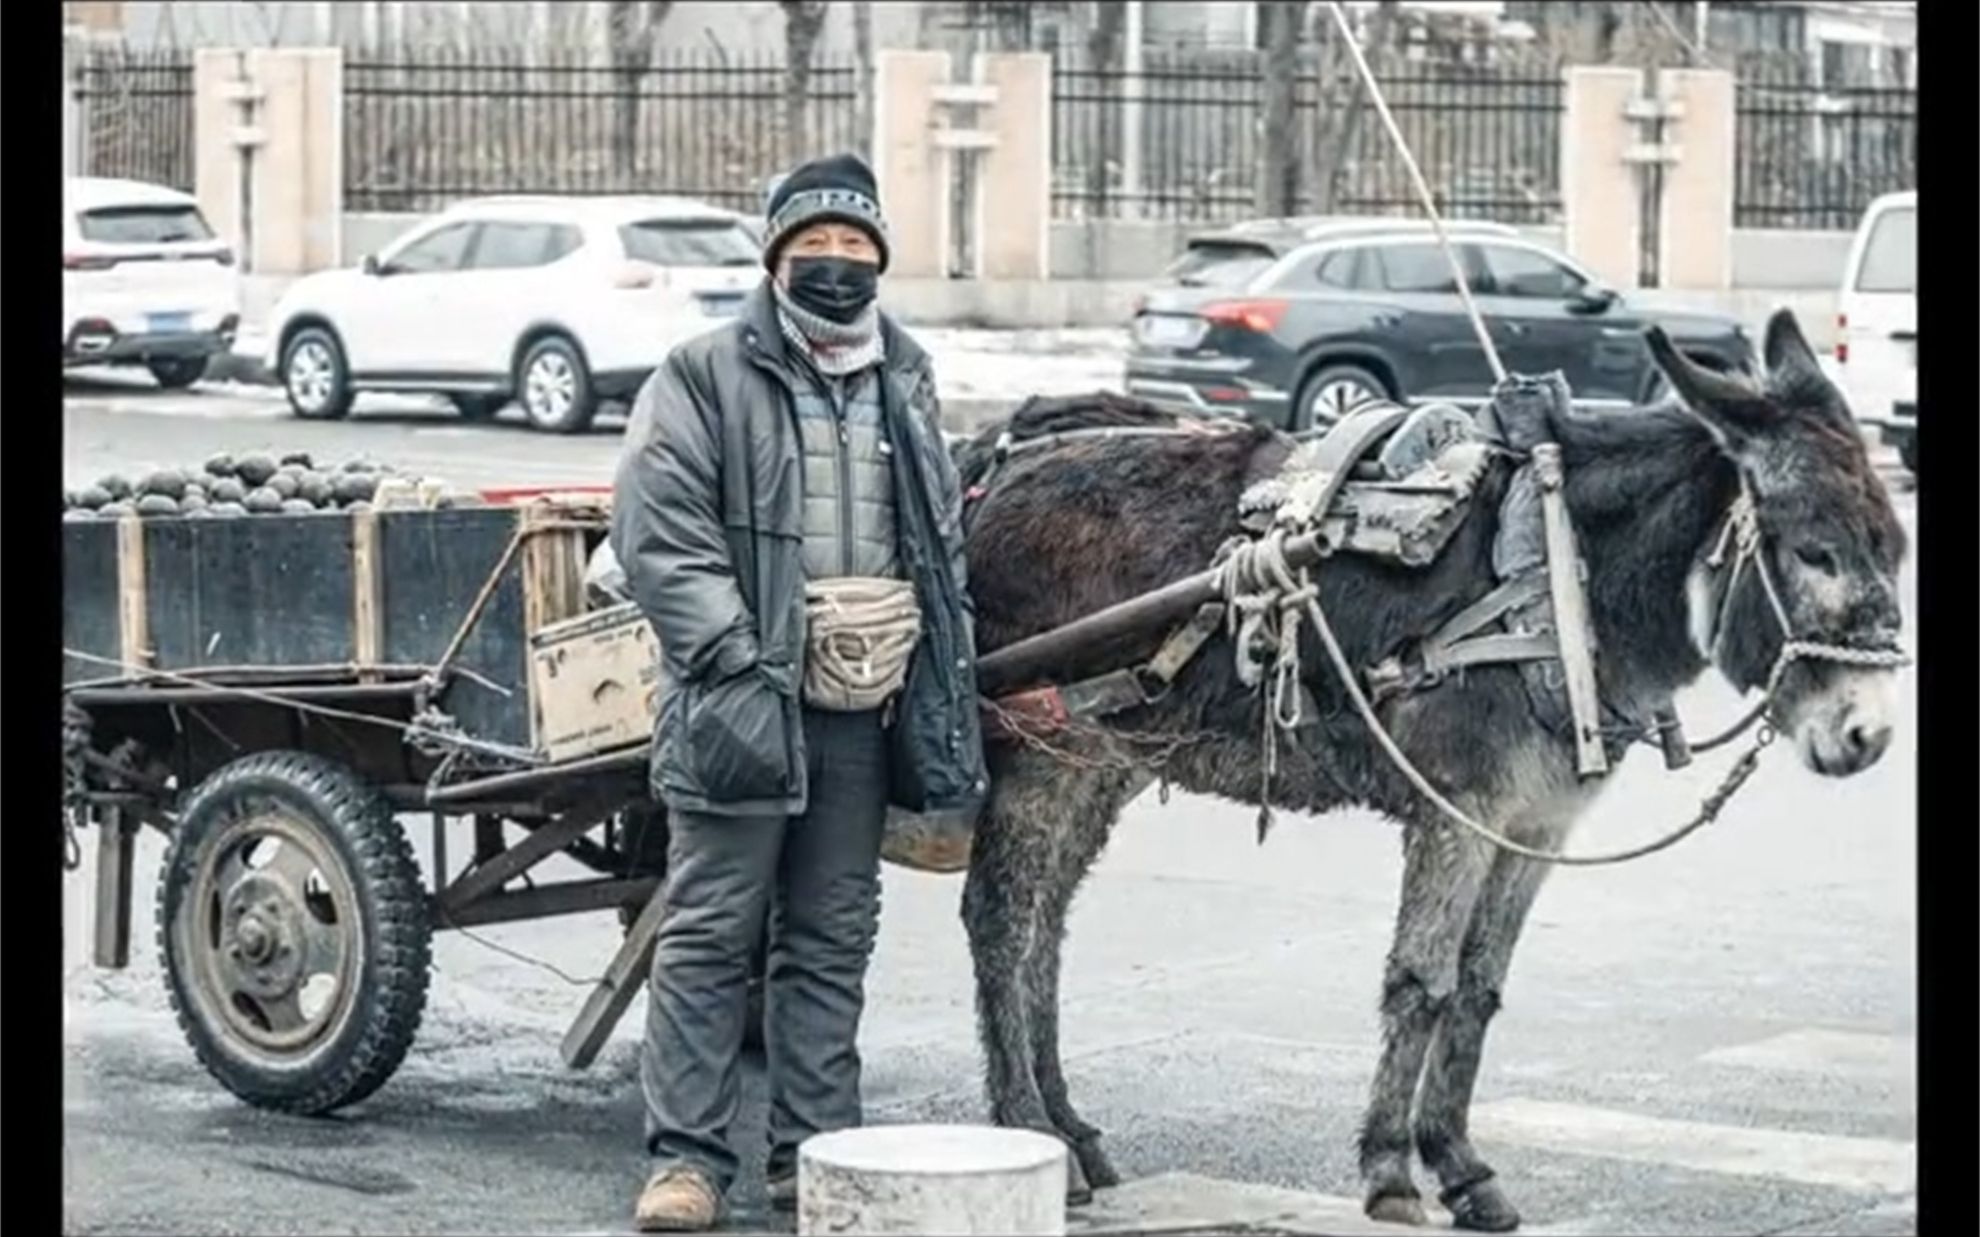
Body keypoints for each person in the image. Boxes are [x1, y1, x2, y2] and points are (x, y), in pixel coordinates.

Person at [611, 153, 988, 1233]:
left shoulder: (905, 377)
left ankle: (814, 1151)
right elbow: (658, 532)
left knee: (830, 932)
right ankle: (686, 1161)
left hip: (861, 709)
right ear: (775, 257)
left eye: (853, 250)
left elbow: (938, 537)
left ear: (879, 262)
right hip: (736, 698)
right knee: (709, 934)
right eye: (811, 249)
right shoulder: (703, 372)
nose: (833, 267)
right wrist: (738, 654)